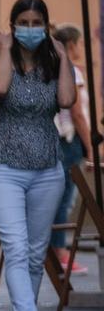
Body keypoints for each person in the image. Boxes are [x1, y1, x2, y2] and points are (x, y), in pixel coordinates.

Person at [0, 0, 76, 311]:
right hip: (4, 167)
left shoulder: (53, 62)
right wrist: (4, 50)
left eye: (37, 23)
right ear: (12, 26)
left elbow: (65, 101)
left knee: (34, 254)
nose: (30, 29)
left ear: (46, 27)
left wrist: (63, 58)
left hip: (48, 168)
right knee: (15, 248)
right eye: (24, 23)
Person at [51, 24, 93, 275]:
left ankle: (57, 251)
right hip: (69, 140)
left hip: (58, 138)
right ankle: (60, 253)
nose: (81, 48)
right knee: (65, 198)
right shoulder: (72, 72)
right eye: (79, 43)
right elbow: (77, 113)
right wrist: (90, 146)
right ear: (70, 45)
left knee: (59, 196)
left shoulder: (55, 68)